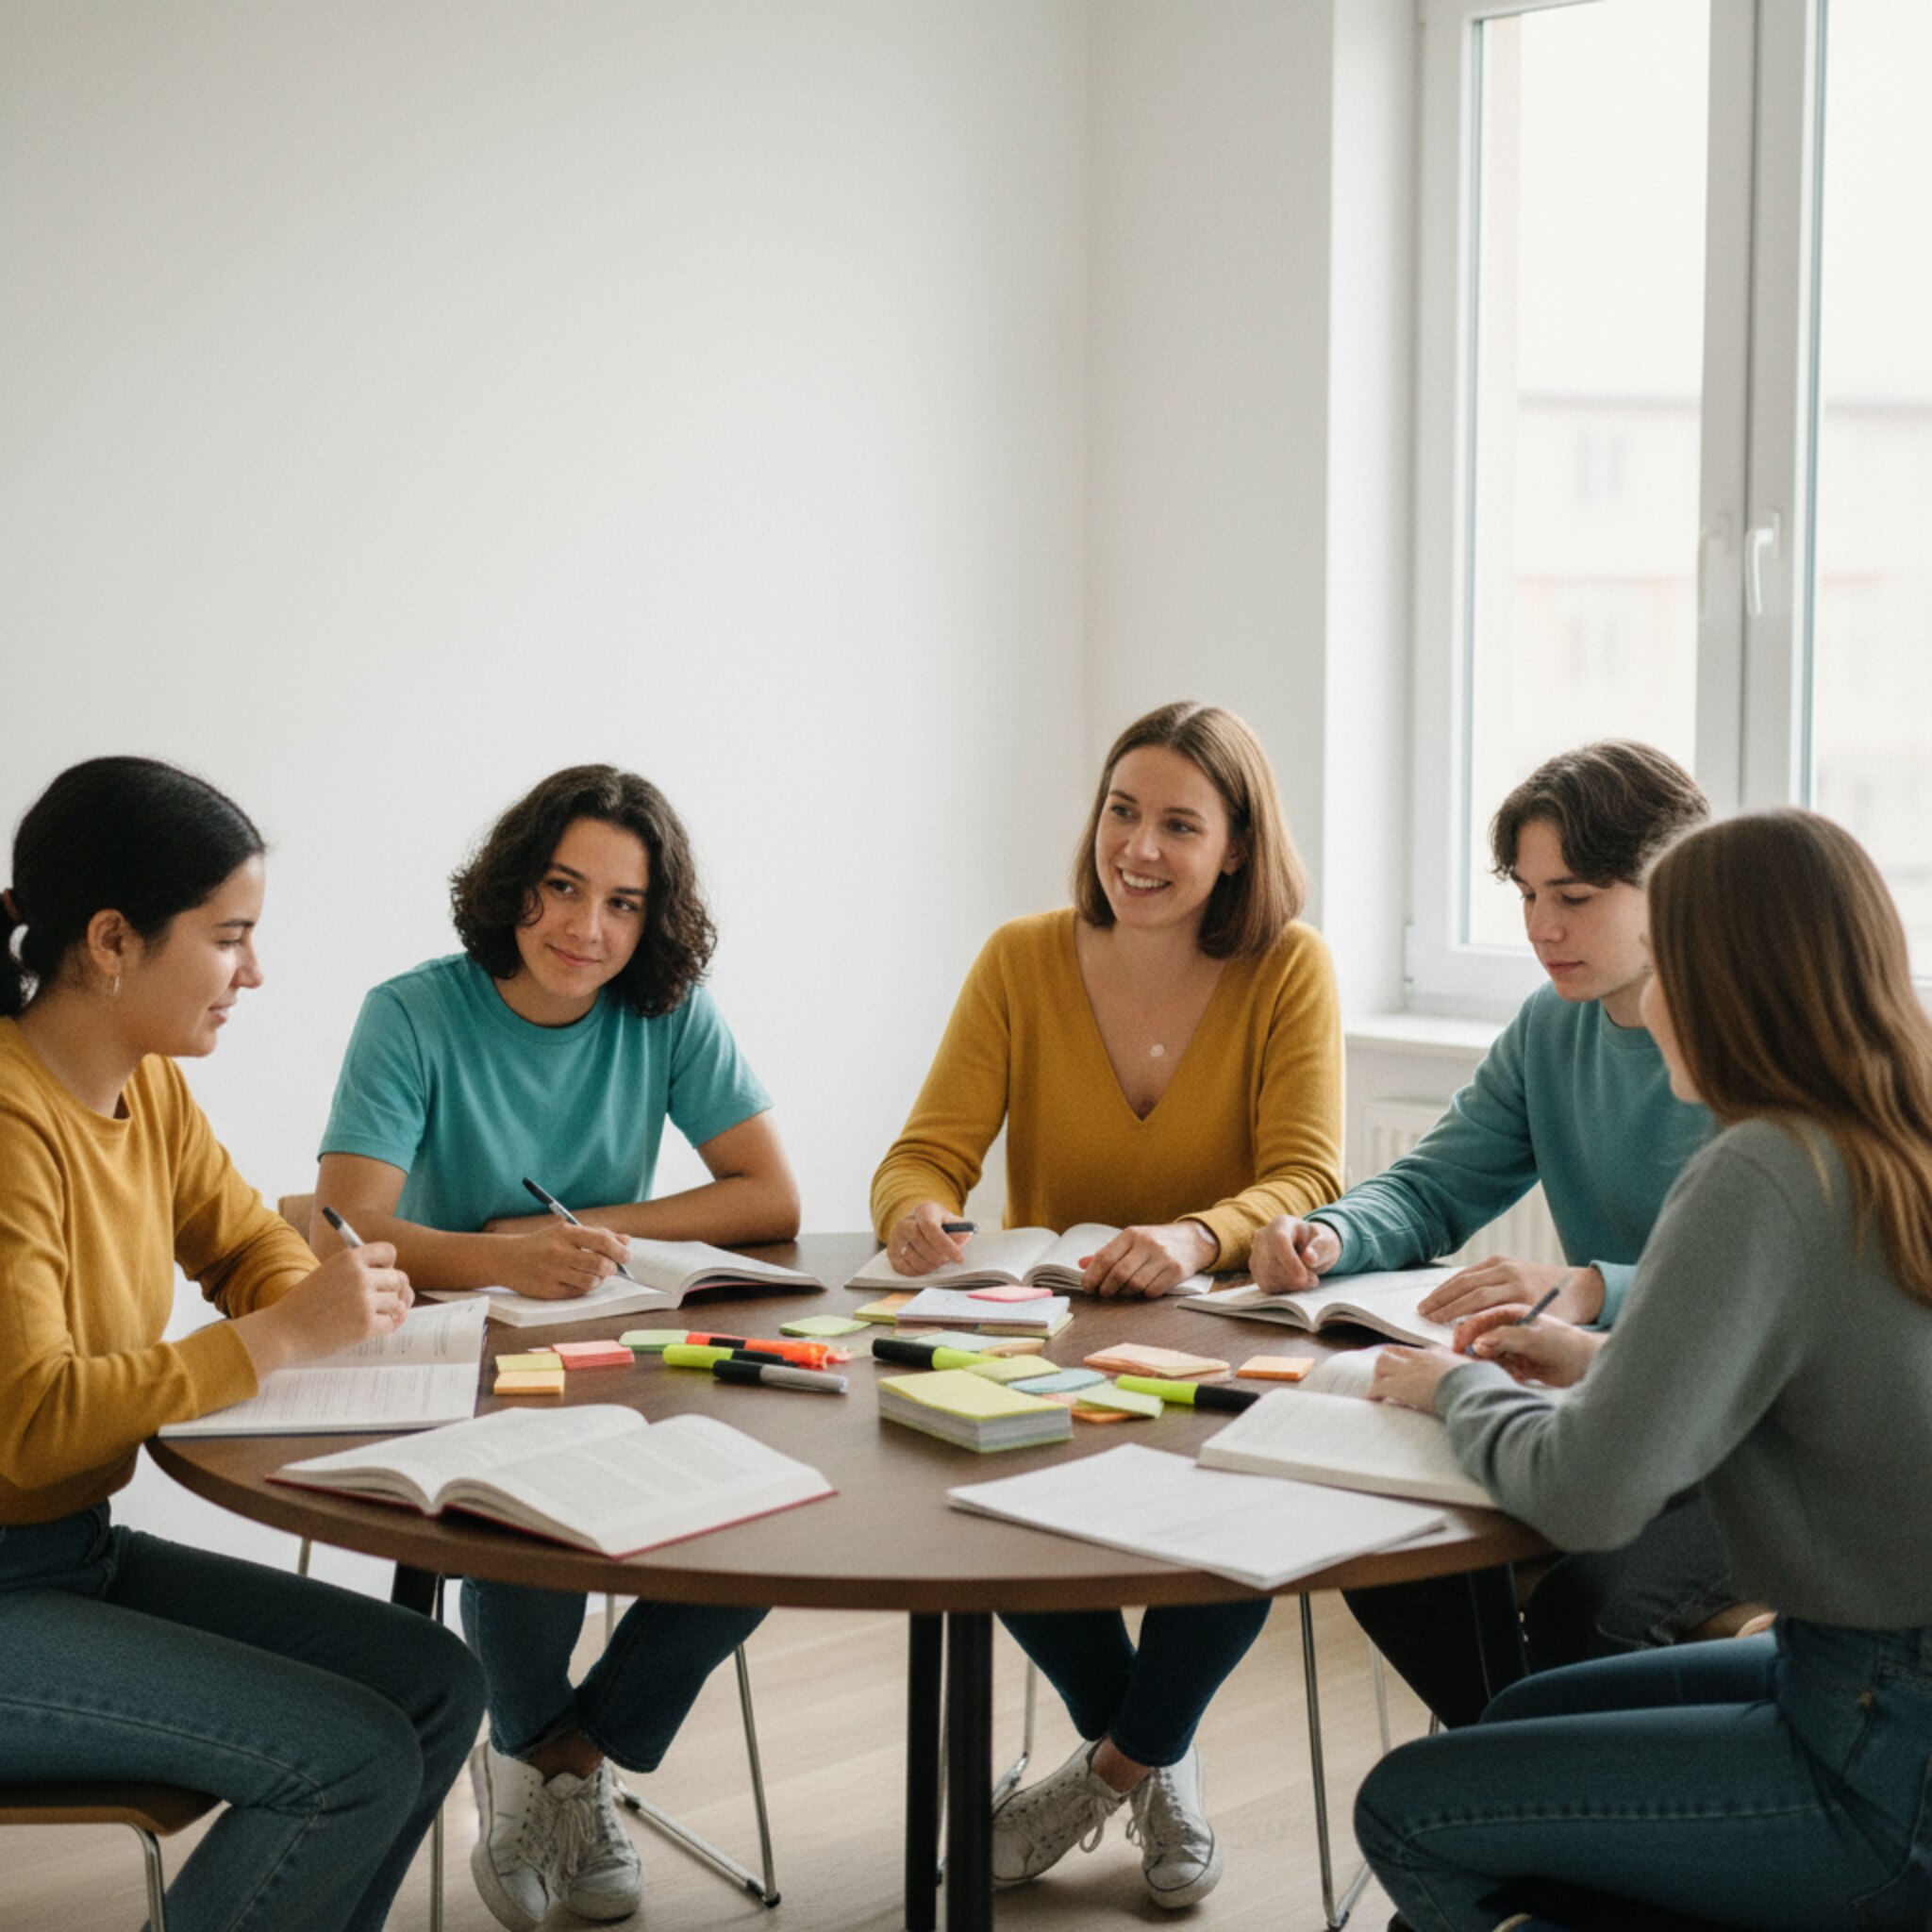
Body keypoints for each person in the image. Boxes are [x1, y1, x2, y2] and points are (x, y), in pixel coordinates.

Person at [1354, 808, 1932, 1932]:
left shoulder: (1757, 1166)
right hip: (1866, 1679)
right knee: (1515, 1712)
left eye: (1666, 955)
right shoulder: (1883, 1128)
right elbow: (1820, 1375)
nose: (1647, 994)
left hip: (1873, 1748)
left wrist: (1452, 1386)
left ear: (1720, 975)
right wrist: (1600, 1358)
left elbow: (1586, 1493)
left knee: (1410, 1805)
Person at [0, 756, 487, 1932]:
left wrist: (318, 1299)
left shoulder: (144, 1088)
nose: (253, 972)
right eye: (229, 937)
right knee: (353, 1758)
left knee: (434, 1680)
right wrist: (281, 1332)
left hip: (71, 1554)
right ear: (113, 939)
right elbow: (29, 1422)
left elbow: (245, 1248)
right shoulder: (11, 1122)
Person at [871, 700, 1342, 1908]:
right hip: (1054, 1335)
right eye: (1120, 812)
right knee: (980, 1499)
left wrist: (1194, 1236)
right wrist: (914, 1214)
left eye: (1177, 823)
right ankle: (1154, 1759)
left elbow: (1306, 1172)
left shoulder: (1289, 965)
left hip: (1224, 1332)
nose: (1136, 847)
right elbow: (923, 1152)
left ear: (1235, 844)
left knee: (1254, 1515)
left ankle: (1116, 1766)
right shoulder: (1021, 956)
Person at [312, 762, 797, 1932]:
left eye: (623, 903)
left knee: (775, 1501)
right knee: (523, 1480)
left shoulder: (664, 1009)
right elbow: (346, 1224)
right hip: (448, 1349)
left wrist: (590, 1232)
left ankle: (556, 1758)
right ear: (513, 885)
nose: (587, 927)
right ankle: (554, 1766)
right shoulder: (414, 1010)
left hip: (606, 1340)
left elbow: (768, 1194)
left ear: (653, 917)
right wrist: (502, 1256)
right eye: (563, 887)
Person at [1249, 741, 1725, 1726]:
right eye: (1525, 894)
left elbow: (1792, 1278)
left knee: (1586, 1614)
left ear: (1668, 884)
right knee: (1378, 1547)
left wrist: (1597, 1283)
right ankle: (1524, 1819)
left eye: (1576, 895)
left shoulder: (1755, 1031)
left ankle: (1515, 1828)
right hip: (1598, 1398)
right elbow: (1431, 1186)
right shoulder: (1551, 1028)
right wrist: (1329, 1234)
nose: (1542, 928)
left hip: (1741, 1439)